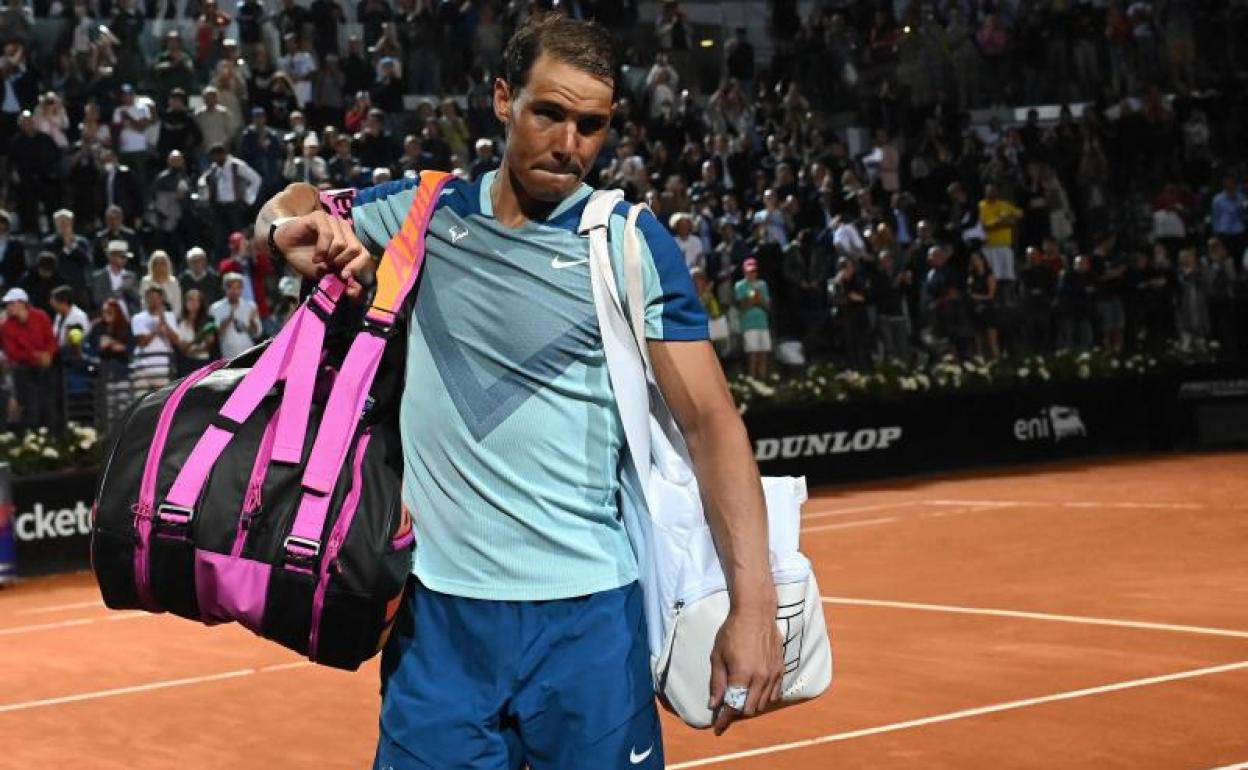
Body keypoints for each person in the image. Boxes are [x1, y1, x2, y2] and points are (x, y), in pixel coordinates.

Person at [257, 14, 781, 768]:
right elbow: (286, 206)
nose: (570, 145)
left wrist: (754, 606)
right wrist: (285, 233)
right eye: (549, 113)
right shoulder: (425, 214)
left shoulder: (627, 241)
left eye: (591, 125)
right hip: (437, 624)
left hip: (590, 625)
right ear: (504, 100)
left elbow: (712, 424)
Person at [1, 287, 58, 430]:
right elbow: (12, 353)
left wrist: (48, 354)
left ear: (21, 303)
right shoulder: (6, 326)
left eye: (10, 304)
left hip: (46, 367)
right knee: (31, 410)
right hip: (25, 371)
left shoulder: (41, 316)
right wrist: (36, 356)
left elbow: (51, 340)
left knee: (49, 408)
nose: (8, 308)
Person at [130, 285, 181, 389]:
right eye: (149, 297)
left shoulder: (170, 316)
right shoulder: (138, 318)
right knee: (140, 400)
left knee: (160, 402)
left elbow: (176, 341)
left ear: (162, 299)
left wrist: (164, 322)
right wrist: (157, 328)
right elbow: (142, 342)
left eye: (155, 297)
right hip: (142, 367)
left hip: (162, 367)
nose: (152, 300)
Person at [208, 271, 261, 359]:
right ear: (224, 288)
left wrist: (252, 322)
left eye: (238, 288)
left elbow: (257, 333)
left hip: (249, 354)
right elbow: (217, 334)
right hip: (228, 357)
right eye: (231, 288)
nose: (235, 291)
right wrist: (229, 319)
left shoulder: (251, 306)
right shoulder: (215, 308)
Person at [735, 256, 772, 378]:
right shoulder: (740, 285)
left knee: (764, 352)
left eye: (754, 271)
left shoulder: (763, 284)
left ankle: (763, 378)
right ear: (745, 271)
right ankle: (752, 379)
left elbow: (767, 305)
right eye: (750, 271)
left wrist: (758, 299)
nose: (752, 273)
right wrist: (753, 299)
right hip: (749, 324)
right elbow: (742, 306)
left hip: (763, 323)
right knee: (753, 354)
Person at [175, 288, 217, 373]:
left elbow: (209, 344)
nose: (193, 303)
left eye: (197, 300)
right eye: (190, 300)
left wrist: (193, 351)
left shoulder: (209, 320)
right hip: (186, 364)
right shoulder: (179, 322)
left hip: (204, 363)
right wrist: (197, 339)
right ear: (185, 302)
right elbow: (181, 346)